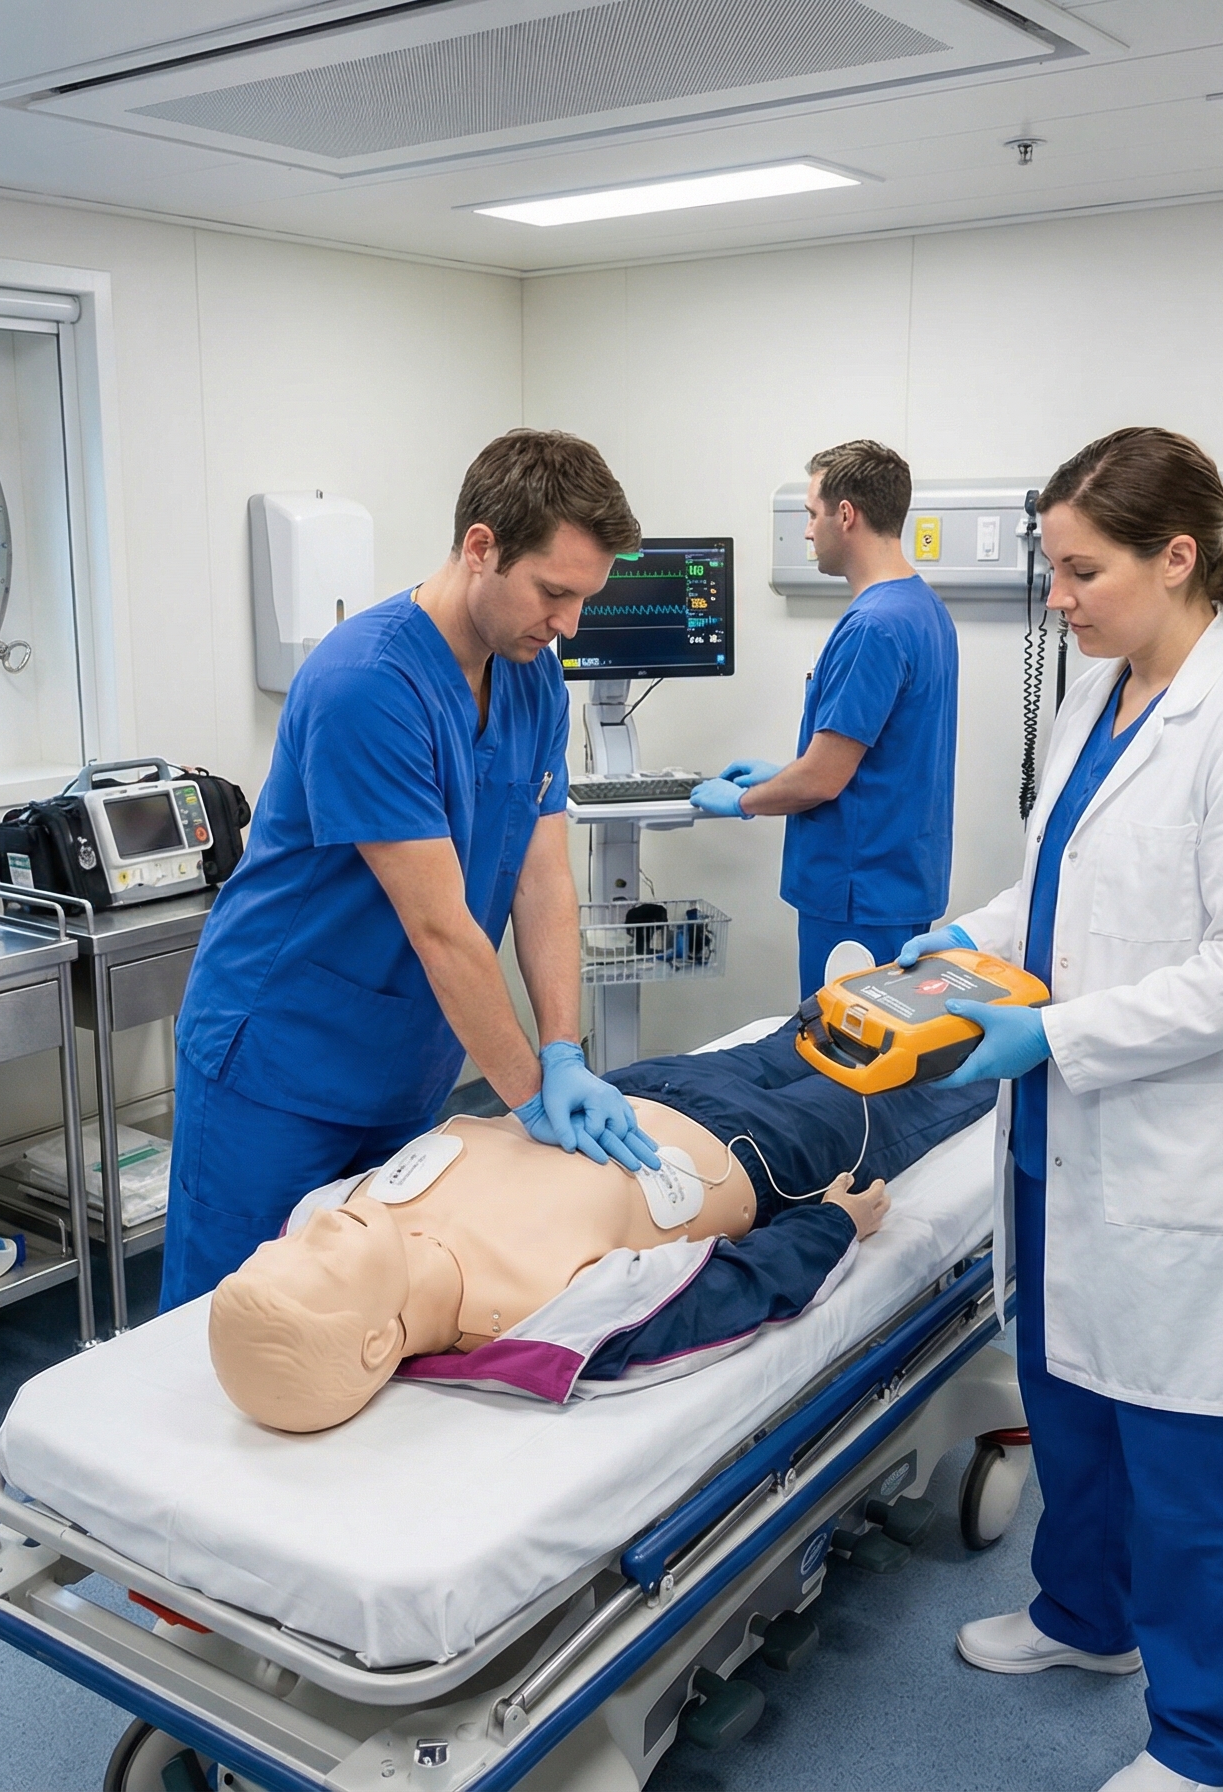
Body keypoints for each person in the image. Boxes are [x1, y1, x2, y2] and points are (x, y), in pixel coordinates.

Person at [901, 428, 1223, 1792]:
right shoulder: (1107, 698)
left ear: (1178, 557)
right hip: (1066, 1144)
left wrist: (1052, 1031)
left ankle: (1208, 1742)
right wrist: (936, 946)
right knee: (1071, 1406)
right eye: (1052, 570)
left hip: (1182, 1157)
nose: (1059, 601)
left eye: (1081, 572)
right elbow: (1056, 894)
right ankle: (1085, 1622)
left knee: (1195, 1460)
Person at [162, 432, 664, 1311]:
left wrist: (562, 1050)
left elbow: (542, 880)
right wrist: (528, 1100)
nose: (569, 625)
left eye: (584, 599)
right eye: (554, 593)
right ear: (481, 547)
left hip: (402, 1057)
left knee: (369, 1313)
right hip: (280, 1055)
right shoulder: (369, 684)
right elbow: (440, 928)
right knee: (235, 1320)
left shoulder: (533, 675)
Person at [208, 1021, 996, 1430]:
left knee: (849, 1014)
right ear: (377, 1342)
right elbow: (732, 1293)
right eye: (312, 1264)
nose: (308, 1235)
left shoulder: (339, 1214)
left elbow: (298, 1252)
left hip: (647, 1085)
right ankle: (1062, 1007)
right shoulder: (544, 1319)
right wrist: (832, 1224)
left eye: (274, 1253)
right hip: (774, 1154)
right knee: (949, 1065)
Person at [687, 439, 959, 999]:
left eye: (811, 514)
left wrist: (741, 802)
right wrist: (784, 771)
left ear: (846, 515)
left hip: (856, 894)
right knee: (882, 1056)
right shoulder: (924, 609)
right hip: (899, 883)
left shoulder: (872, 628)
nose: (808, 531)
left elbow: (822, 779)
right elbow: (880, 756)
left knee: (843, 1064)